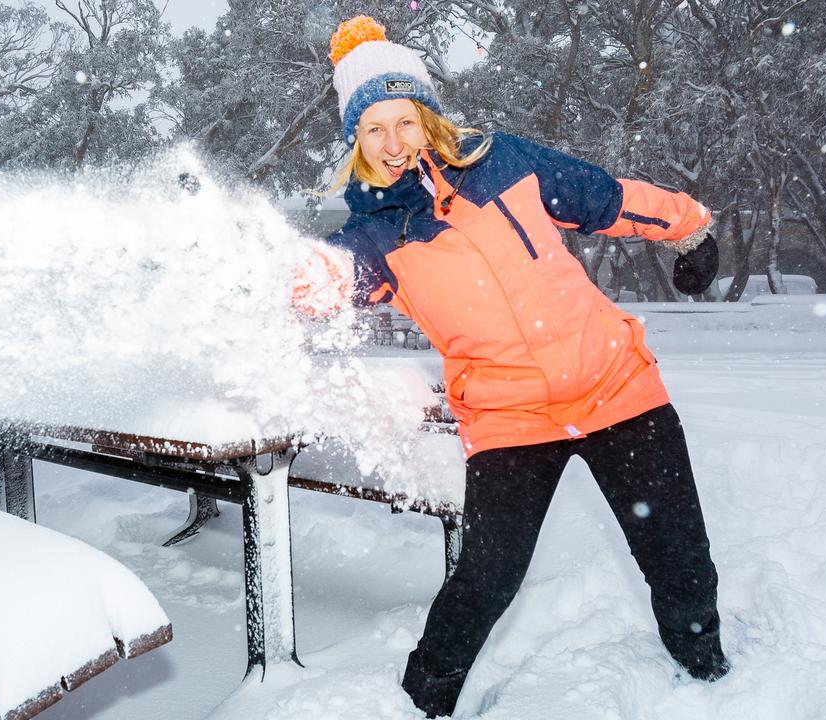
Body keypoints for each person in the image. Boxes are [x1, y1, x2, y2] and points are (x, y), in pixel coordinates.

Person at [291, 16, 729, 718]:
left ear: (427, 117)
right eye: (373, 130)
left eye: (403, 121)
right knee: (486, 582)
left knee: (680, 557)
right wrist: (294, 279)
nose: (393, 143)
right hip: (509, 420)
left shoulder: (503, 163)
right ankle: (420, 705)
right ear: (356, 142)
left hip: (618, 388)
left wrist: (690, 225)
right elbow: (328, 281)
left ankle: (710, 676)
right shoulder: (374, 232)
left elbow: (604, 196)